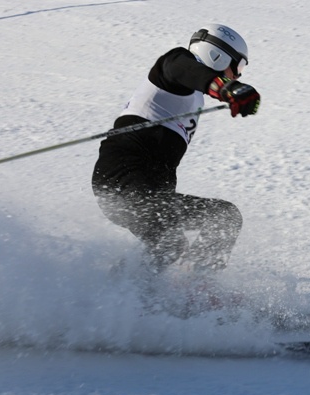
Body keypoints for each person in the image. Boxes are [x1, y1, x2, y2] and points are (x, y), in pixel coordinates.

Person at [92, 24, 260, 277]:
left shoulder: (192, 96)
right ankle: (190, 290)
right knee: (187, 233)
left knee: (199, 229)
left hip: (140, 189)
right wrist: (225, 89)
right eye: (239, 67)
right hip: (122, 184)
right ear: (218, 56)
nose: (237, 75)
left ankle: (127, 290)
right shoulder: (172, 66)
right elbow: (182, 69)